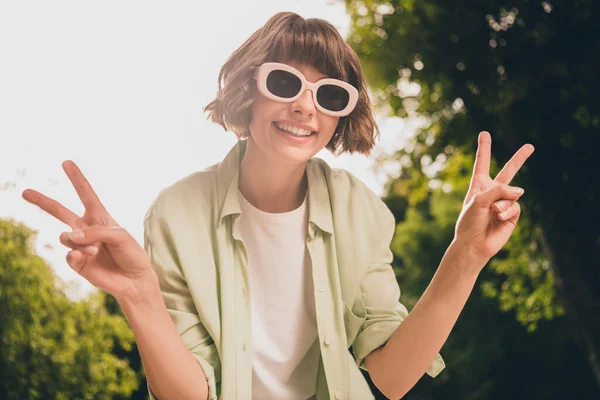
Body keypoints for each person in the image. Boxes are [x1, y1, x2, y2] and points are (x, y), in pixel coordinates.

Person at [22, 11, 535, 400]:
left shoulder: (363, 212)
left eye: (329, 95)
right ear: (249, 92)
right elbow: (190, 392)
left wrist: (465, 257)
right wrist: (139, 296)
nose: (304, 105)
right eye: (286, 83)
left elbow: (393, 378)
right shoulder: (176, 213)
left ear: (339, 118)